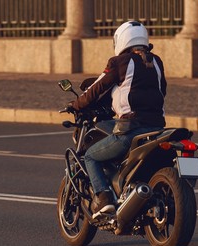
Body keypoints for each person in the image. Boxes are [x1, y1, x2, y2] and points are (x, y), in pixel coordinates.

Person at [71, 21, 167, 219]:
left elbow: (96, 88)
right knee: (106, 128)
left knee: (90, 156)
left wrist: (76, 105)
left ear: (121, 40)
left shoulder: (119, 62)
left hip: (131, 129)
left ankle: (104, 198)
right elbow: (161, 90)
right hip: (157, 128)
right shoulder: (156, 61)